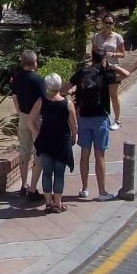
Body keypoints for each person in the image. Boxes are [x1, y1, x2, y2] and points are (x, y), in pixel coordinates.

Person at [69, 49, 129, 200]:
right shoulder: (105, 73)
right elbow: (126, 74)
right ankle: (102, 191)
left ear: (92, 58)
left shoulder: (82, 72)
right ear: (103, 59)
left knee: (84, 154)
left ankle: (84, 189)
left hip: (83, 117)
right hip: (101, 118)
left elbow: (65, 87)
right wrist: (112, 66)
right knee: (99, 155)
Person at [31, 73, 77, 213]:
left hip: (45, 141)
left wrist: (37, 132)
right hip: (62, 142)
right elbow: (74, 125)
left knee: (46, 172)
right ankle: (58, 203)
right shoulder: (67, 104)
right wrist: (74, 136)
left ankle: (48, 203)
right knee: (59, 174)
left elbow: (30, 119)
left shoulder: (41, 101)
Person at [10, 50, 46, 201]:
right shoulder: (39, 80)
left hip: (23, 117)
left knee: (24, 151)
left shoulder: (17, 78)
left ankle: (23, 185)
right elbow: (43, 101)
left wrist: (20, 113)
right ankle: (33, 188)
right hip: (36, 118)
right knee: (39, 152)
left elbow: (14, 96)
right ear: (34, 62)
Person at [92, 15, 127, 129]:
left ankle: (117, 120)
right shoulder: (97, 37)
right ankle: (104, 117)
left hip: (112, 68)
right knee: (101, 95)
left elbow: (123, 54)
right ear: (102, 23)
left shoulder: (118, 37)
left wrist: (114, 54)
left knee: (113, 96)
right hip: (100, 69)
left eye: (110, 23)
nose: (108, 25)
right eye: (106, 22)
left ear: (113, 24)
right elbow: (93, 52)